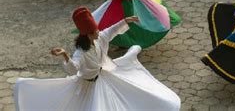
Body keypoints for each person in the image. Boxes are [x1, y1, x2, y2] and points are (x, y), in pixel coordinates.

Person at [14, 6, 181, 110]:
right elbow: (73, 69)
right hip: (89, 85)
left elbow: (111, 31)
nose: (98, 32)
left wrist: (125, 21)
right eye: (95, 31)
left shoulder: (99, 37)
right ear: (87, 34)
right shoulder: (81, 51)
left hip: (105, 76)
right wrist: (65, 55)